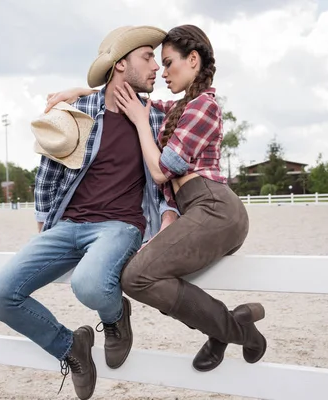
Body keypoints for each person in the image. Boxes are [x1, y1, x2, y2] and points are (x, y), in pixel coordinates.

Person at [0, 25, 179, 400]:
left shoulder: (156, 116)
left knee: (88, 284)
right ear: (121, 64)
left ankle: (116, 317)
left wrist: (168, 214)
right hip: (68, 224)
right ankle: (70, 347)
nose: (156, 66)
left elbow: (170, 176)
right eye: (147, 56)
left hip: (120, 226)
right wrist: (44, 228)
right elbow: (49, 172)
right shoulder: (79, 112)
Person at [113, 24, 267, 372]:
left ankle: (231, 330)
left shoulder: (204, 107)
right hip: (199, 210)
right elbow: (134, 100)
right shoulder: (178, 109)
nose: (163, 72)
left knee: (136, 276)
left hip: (215, 209)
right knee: (140, 276)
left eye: (168, 63)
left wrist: (140, 122)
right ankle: (227, 326)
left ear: (193, 59)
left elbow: (160, 171)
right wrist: (77, 92)